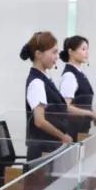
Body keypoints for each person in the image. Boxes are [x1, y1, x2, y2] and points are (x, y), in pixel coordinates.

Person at [20, 31, 72, 161]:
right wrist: (62, 136)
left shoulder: (45, 78)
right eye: (54, 52)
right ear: (38, 54)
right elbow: (39, 121)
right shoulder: (37, 82)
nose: (57, 57)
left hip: (49, 149)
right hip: (42, 151)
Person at [59, 35, 96, 140]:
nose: (87, 53)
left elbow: (81, 102)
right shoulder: (69, 76)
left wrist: (92, 113)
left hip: (81, 131)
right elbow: (65, 107)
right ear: (71, 51)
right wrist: (90, 113)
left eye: (87, 49)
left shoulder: (79, 73)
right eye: (83, 49)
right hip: (71, 133)